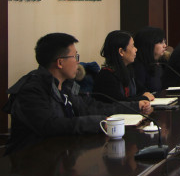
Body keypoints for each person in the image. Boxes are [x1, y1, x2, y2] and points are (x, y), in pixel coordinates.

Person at [3, 33, 152, 155]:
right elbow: (50, 125)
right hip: (30, 164)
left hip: (62, 155)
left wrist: (134, 106)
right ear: (60, 63)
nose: (78, 63)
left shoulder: (66, 86)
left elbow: (92, 107)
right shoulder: (31, 91)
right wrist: (99, 122)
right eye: (75, 57)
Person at [94, 30, 154, 103]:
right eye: (132, 46)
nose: (136, 49)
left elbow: (141, 90)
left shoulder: (127, 70)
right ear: (121, 51)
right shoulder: (106, 76)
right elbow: (119, 102)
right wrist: (143, 98)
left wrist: (144, 94)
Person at [132, 26, 167, 94]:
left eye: (164, 42)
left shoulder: (161, 63)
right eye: (161, 42)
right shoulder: (138, 67)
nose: (165, 45)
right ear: (149, 44)